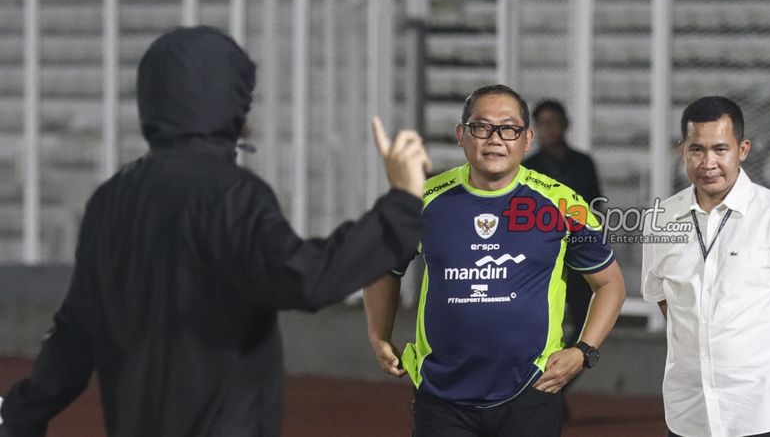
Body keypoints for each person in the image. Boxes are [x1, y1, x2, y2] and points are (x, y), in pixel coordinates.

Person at [0, 26, 430, 437]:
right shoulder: (234, 195)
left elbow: (74, 334)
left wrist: (19, 416)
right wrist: (402, 204)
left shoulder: (111, 200)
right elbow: (306, 278)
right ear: (232, 101)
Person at [364, 84, 626, 437]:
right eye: (481, 127)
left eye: (509, 128)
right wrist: (378, 335)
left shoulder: (563, 204)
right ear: (461, 134)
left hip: (531, 392)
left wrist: (584, 350)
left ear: (527, 138)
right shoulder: (421, 201)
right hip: (442, 397)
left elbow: (610, 284)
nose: (494, 139)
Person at [641, 96, 770, 437]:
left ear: (742, 150)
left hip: (763, 411)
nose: (708, 162)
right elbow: (664, 296)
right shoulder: (660, 220)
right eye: (697, 149)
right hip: (689, 411)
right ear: (682, 150)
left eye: (720, 149)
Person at [523, 99, 603, 346]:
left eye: (553, 122)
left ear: (566, 125)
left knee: (585, 320)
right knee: (538, 321)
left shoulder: (583, 163)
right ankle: (538, 377)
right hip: (542, 257)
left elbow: (595, 206)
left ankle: (559, 378)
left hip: (579, 252)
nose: (548, 129)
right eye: (542, 123)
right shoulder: (528, 168)